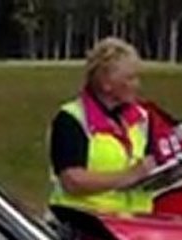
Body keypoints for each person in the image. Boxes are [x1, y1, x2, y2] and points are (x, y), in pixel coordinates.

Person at [48, 37, 158, 216]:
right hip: (84, 227)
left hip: (133, 227)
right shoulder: (72, 119)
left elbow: (152, 164)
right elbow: (72, 181)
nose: (136, 85)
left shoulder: (141, 118)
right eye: (129, 78)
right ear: (106, 83)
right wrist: (129, 176)